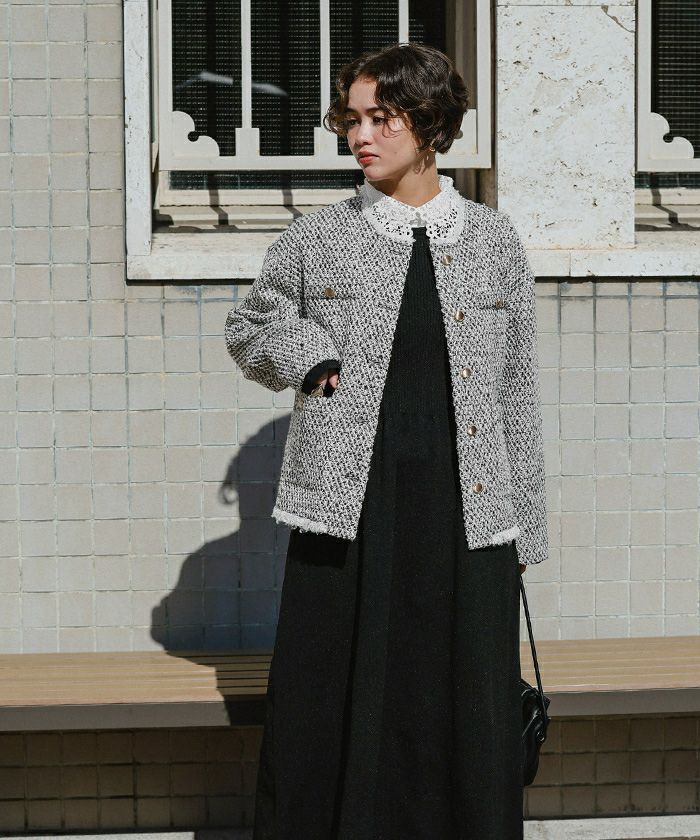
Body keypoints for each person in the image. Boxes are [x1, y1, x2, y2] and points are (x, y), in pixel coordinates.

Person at [225, 41, 548, 840]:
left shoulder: (494, 240)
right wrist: (308, 356)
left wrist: (524, 532)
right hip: (349, 511)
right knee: (329, 693)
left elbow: (515, 389)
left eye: (382, 118)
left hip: (467, 511)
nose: (360, 136)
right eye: (352, 119)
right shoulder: (318, 237)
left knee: (463, 697)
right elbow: (250, 326)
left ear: (430, 122)